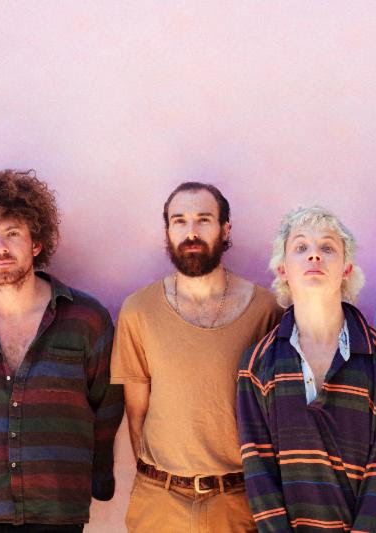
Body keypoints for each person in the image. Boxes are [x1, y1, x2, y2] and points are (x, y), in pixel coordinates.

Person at [0, 169, 123, 532]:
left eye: (13, 233)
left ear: (36, 243)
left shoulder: (86, 319)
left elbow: (107, 404)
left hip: (59, 509)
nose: (0, 247)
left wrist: (95, 473)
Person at [111, 181, 283, 532]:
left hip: (238, 501)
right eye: (179, 221)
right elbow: (136, 412)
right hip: (160, 502)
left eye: (203, 220)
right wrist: (158, 479)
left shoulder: (267, 309)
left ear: (225, 229)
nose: (191, 232)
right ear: (167, 231)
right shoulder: (138, 310)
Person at [237, 206, 376, 532]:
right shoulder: (257, 364)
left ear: (346, 268)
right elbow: (259, 474)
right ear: (283, 269)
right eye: (301, 247)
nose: (314, 255)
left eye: (328, 247)